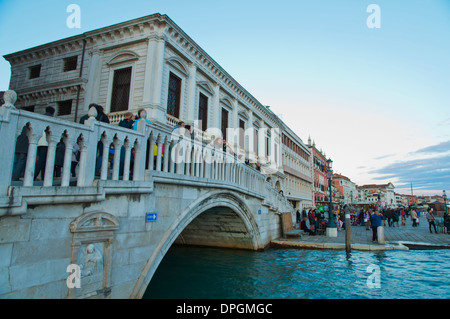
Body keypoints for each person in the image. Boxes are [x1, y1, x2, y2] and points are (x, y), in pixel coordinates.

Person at [34, 106, 55, 180]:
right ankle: (34, 176)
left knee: (43, 160)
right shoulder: (51, 119)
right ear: (53, 113)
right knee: (42, 160)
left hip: (39, 141)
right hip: (46, 142)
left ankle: (43, 176)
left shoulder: (40, 117)